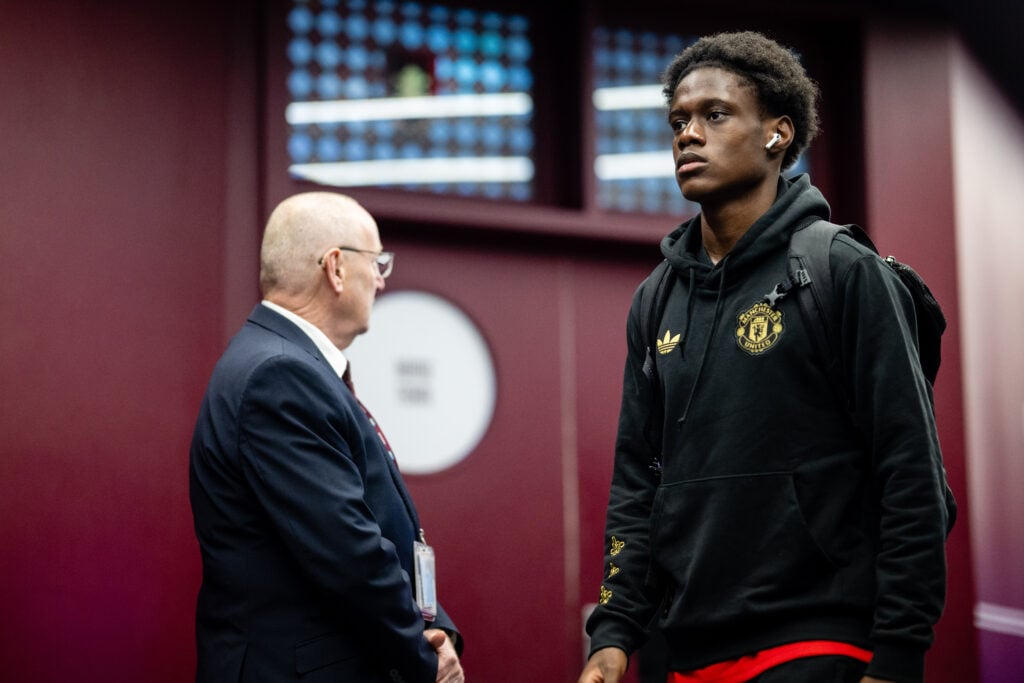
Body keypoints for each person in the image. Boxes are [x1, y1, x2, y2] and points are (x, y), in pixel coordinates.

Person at [578, 31, 951, 683]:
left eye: (714, 115)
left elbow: (910, 469)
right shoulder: (655, 299)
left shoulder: (840, 269)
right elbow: (637, 483)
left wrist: (898, 652)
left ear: (777, 134)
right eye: (678, 121)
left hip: (817, 643)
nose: (688, 134)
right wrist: (612, 636)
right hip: (686, 651)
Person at [189, 192, 464, 682]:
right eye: (376, 261)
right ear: (335, 267)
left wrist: (437, 630)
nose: (381, 280)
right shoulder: (279, 375)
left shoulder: (292, 368)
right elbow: (350, 553)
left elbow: (375, 525)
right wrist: (425, 660)